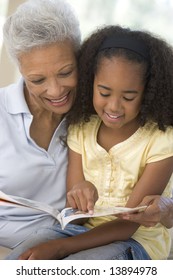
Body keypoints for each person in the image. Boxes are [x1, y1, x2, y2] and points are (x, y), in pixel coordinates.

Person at [18, 25, 173, 260]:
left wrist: (60, 248)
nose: (113, 106)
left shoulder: (162, 140)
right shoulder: (82, 129)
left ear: (148, 92)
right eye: (104, 92)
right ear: (91, 83)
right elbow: (76, 217)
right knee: (27, 251)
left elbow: (127, 225)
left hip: (136, 242)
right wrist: (79, 195)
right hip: (78, 231)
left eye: (128, 97)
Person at [0, 0, 81, 254]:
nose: (56, 91)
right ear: (21, 70)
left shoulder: (99, 111)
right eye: (37, 80)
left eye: (66, 72)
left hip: (70, 243)